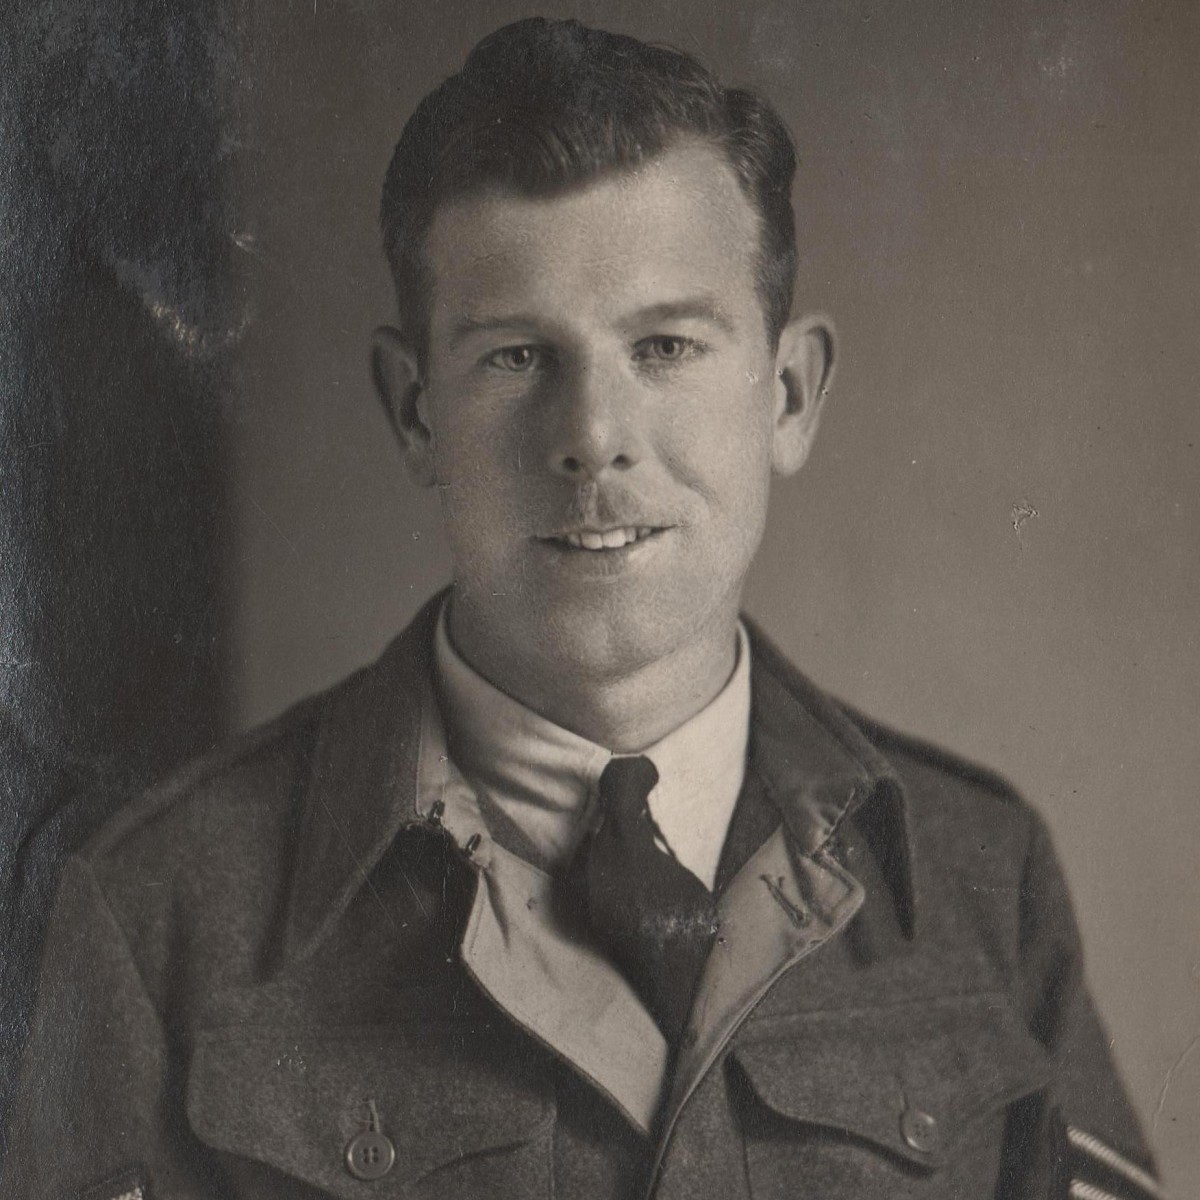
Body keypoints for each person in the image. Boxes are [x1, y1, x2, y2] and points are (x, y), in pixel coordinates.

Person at [2, 18, 1160, 1200]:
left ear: (790, 393)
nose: (592, 441)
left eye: (663, 346)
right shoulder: (159, 912)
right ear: (414, 411)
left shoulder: (980, 877)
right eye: (514, 358)